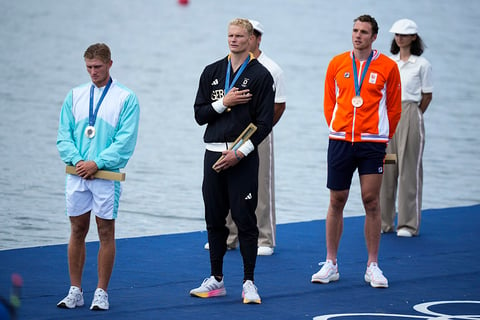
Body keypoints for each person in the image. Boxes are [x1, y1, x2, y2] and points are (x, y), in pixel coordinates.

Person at [311, 15, 401, 288]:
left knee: (371, 200)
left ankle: (372, 265)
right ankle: (331, 263)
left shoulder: (388, 67)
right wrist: (337, 127)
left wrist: (382, 135)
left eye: (364, 32)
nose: (358, 35)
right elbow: (330, 101)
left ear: (374, 37)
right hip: (340, 140)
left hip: (372, 143)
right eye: (355, 30)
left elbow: (394, 108)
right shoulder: (337, 63)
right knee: (336, 199)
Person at [190, 18, 274, 304]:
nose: (234, 40)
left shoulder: (261, 76)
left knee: (245, 219)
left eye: (239, 35)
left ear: (251, 39)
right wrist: (223, 103)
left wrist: (241, 152)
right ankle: (216, 279)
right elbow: (200, 115)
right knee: (214, 219)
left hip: (242, 157)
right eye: (230, 35)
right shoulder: (212, 71)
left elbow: (265, 123)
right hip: (213, 153)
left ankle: (249, 282)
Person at [56, 43, 140, 310]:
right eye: (89, 67)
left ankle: (101, 292)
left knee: (105, 231)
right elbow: (63, 136)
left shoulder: (126, 98)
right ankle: (75, 290)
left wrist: (97, 163)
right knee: (77, 229)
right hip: (77, 173)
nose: (93, 72)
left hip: (106, 176)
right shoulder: (75, 95)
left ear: (110, 64)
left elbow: (125, 142)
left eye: (98, 67)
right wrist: (79, 161)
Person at [208, 19, 286, 256]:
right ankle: (229, 237)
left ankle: (264, 237)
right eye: (235, 35)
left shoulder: (271, 68)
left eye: (251, 35)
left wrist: (259, 132)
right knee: (226, 185)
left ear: (256, 38)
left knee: (260, 184)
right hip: (229, 135)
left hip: (258, 133)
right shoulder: (225, 66)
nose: (244, 40)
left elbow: (279, 106)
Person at [380, 19, 433, 237]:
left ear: (413, 37)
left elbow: (427, 96)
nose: (399, 38)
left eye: (404, 34)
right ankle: (384, 221)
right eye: (397, 34)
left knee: (409, 169)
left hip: (411, 113)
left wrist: (415, 115)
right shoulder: (389, 63)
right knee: (387, 166)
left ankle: (407, 224)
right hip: (389, 117)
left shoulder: (422, 64)